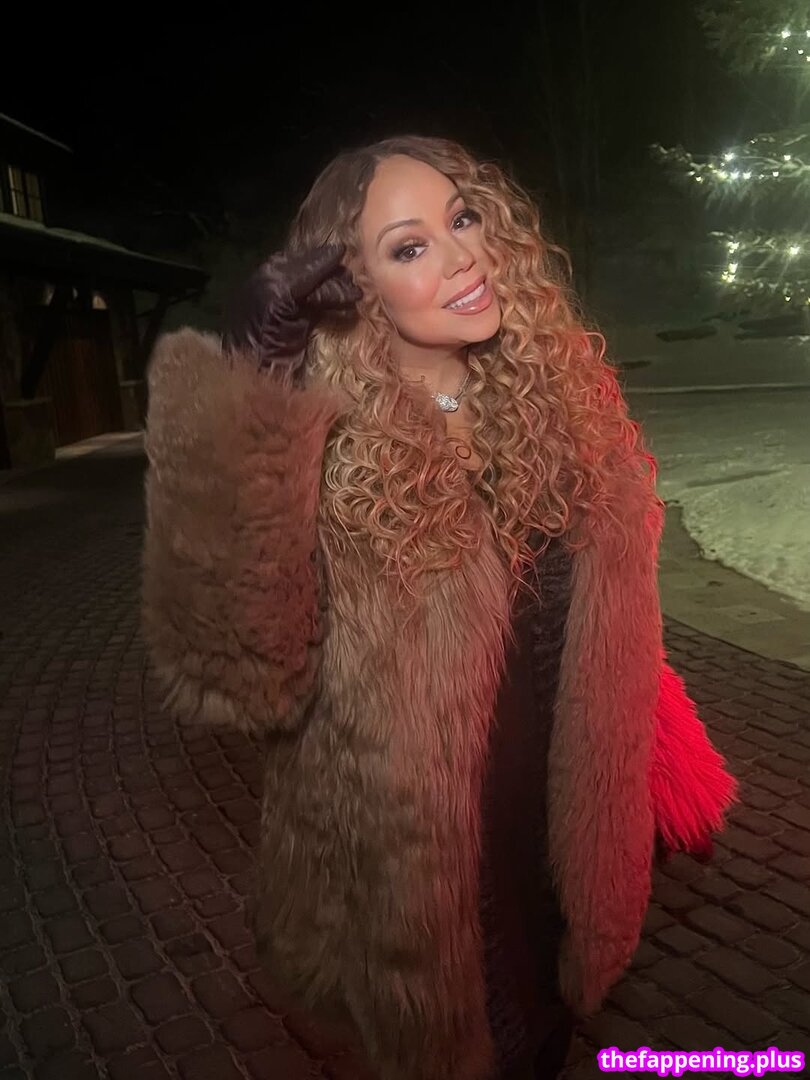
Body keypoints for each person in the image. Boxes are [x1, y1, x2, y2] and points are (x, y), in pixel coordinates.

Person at [141, 135, 737, 1080]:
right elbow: (231, 669)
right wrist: (249, 388)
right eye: (409, 247)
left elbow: (607, 644)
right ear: (356, 290)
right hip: (413, 908)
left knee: (543, 1040)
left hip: (559, 864)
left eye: (463, 219)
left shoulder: (566, 415)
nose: (462, 255)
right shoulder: (316, 453)